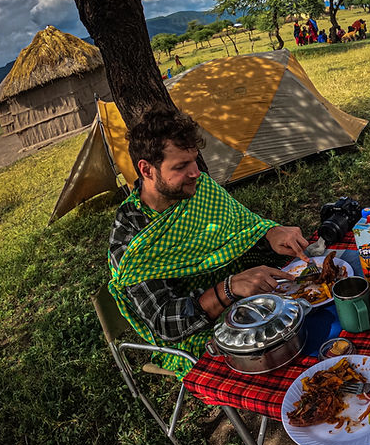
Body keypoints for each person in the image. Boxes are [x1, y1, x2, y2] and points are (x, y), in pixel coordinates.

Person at [108, 108, 310, 376]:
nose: (196, 172)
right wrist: (227, 289)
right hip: (198, 335)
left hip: (247, 300)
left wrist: (270, 233)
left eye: (194, 160)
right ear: (146, 169)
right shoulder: (131, 237)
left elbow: (241, 232)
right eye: (180, 166)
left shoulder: (200, 190)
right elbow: (165, 323)